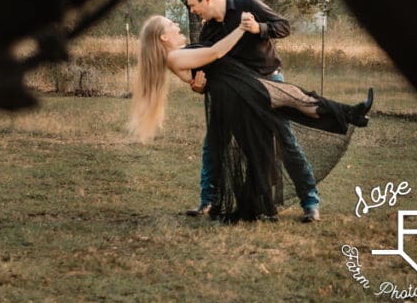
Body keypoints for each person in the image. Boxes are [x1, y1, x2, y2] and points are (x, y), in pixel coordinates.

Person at [129, 15, 373, 222]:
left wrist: (198, 86)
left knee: (295, 102)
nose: (177, 26)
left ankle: (350, 114)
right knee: (295, 102)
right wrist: (241, 29)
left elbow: (202, 79)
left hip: (241, 84)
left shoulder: (180, 53)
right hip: (242, 90)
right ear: (162, 37)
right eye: (171, 25)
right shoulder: (174, 58)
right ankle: (349, 115)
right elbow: (215, 53)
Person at [183, 0, 325, 222]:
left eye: (194, 5)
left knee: (285, 142)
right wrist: (199, 86)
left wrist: (259, 28)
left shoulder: (248, 5)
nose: (193, 11)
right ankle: (208, 200)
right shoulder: (209, 30)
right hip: (234, 94)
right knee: (215, 142)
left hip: (270, 84)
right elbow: (208, 64)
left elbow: (284, 26)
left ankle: (310, 203)